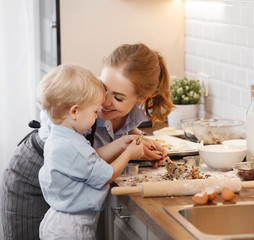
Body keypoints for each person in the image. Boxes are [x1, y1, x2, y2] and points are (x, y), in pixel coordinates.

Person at [0, 43, 175, 240]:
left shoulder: (131, 114)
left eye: (117, 97)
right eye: (104, 87)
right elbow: (79, 154)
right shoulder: (79, 100)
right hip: (32, 178)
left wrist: (139, 141)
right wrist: (127, 149)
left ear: (141, 98)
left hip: (70, 196)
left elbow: (107, 140)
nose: (104, 101)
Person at [37, 63, 145, 239]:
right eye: (94, 111)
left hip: (58, 223)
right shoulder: (71, 144)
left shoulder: (63, 136)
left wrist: (121, 144)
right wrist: (129, 154)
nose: (97, 117)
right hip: (72, 229)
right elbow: (107, 174)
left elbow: (89, 161)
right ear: (74, 112)